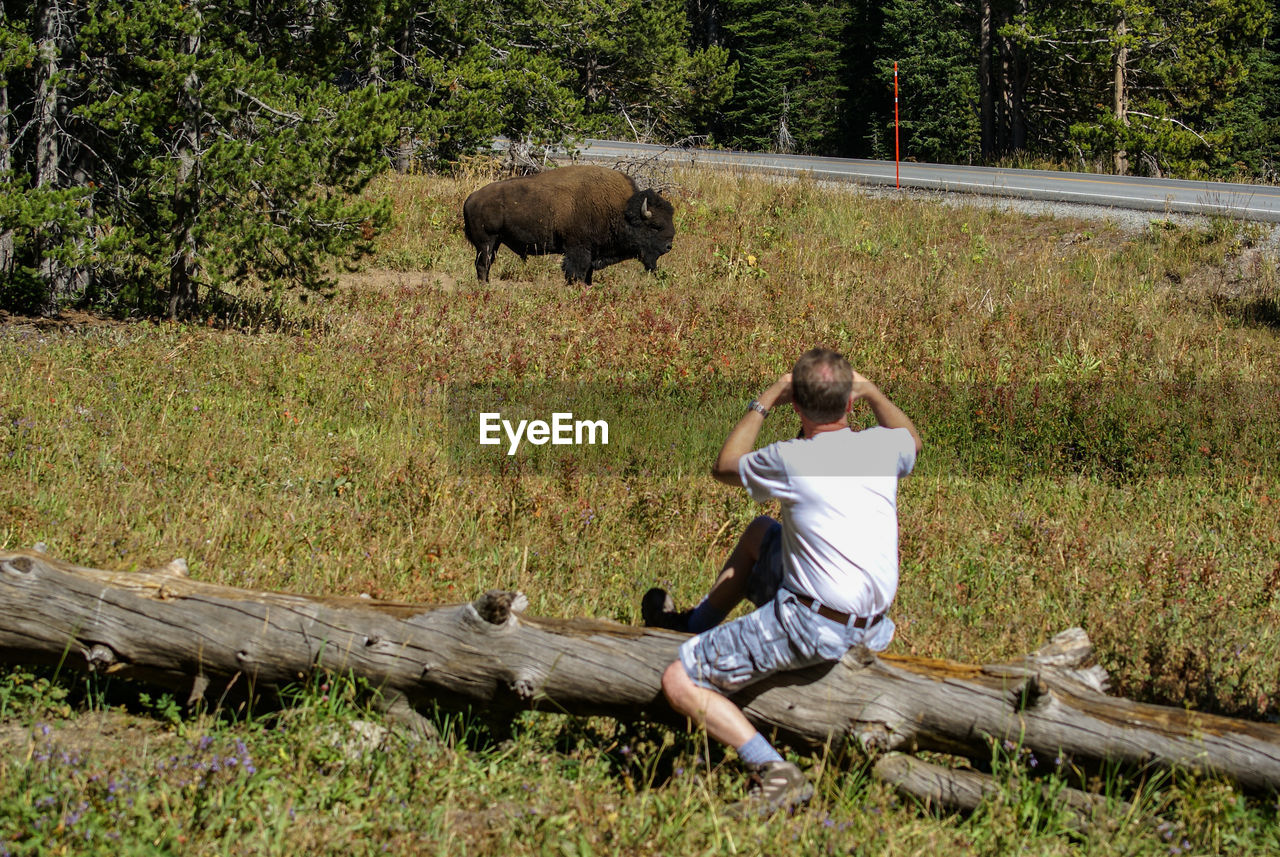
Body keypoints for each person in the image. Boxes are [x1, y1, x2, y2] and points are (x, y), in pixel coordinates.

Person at [642, 347, 922, 816]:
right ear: (851, 403)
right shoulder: (882, 445)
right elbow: (912, 439)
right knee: (760, 534)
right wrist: (874, 390)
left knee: (679, 678)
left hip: (813, 625)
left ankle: (774, 772)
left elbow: (725, 465)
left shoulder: (793, 458)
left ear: (796, 405)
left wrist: (765, 397)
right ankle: (694, 625)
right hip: (873, 623)